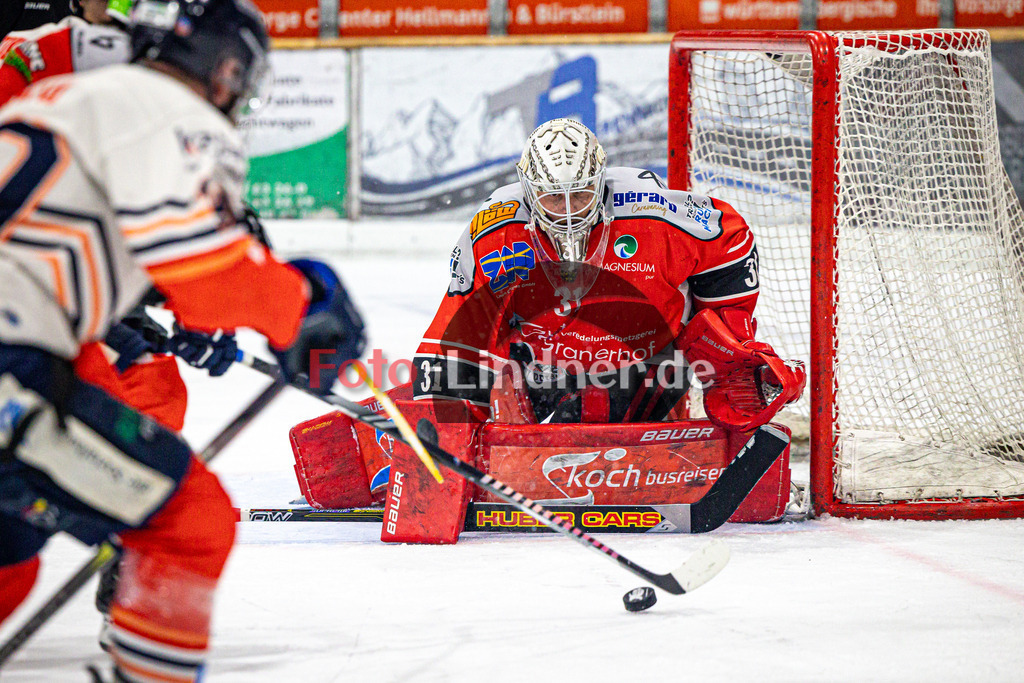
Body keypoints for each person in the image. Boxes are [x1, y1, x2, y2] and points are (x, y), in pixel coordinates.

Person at [0, 2, 364, 682]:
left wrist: (133, 320)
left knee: (11, 559)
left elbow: (64, 236)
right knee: (189, 519)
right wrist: (306, 306)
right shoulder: (178, 114)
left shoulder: (63, 95)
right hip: (11, 360)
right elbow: (212, 277)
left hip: (31, 337)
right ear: (225, 70)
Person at [414, 117, 803, 429]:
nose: (567, 210)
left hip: (645, 363)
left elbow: (729, 236)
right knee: (452, 408)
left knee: (580, 434)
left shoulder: (653, 213)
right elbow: (456, 333)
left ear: (601, 180)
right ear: (528, 189)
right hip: (537, 364)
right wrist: (446, 426)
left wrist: (728, 331)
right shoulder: (494, 232)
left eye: (581, 194)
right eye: (552, 197)